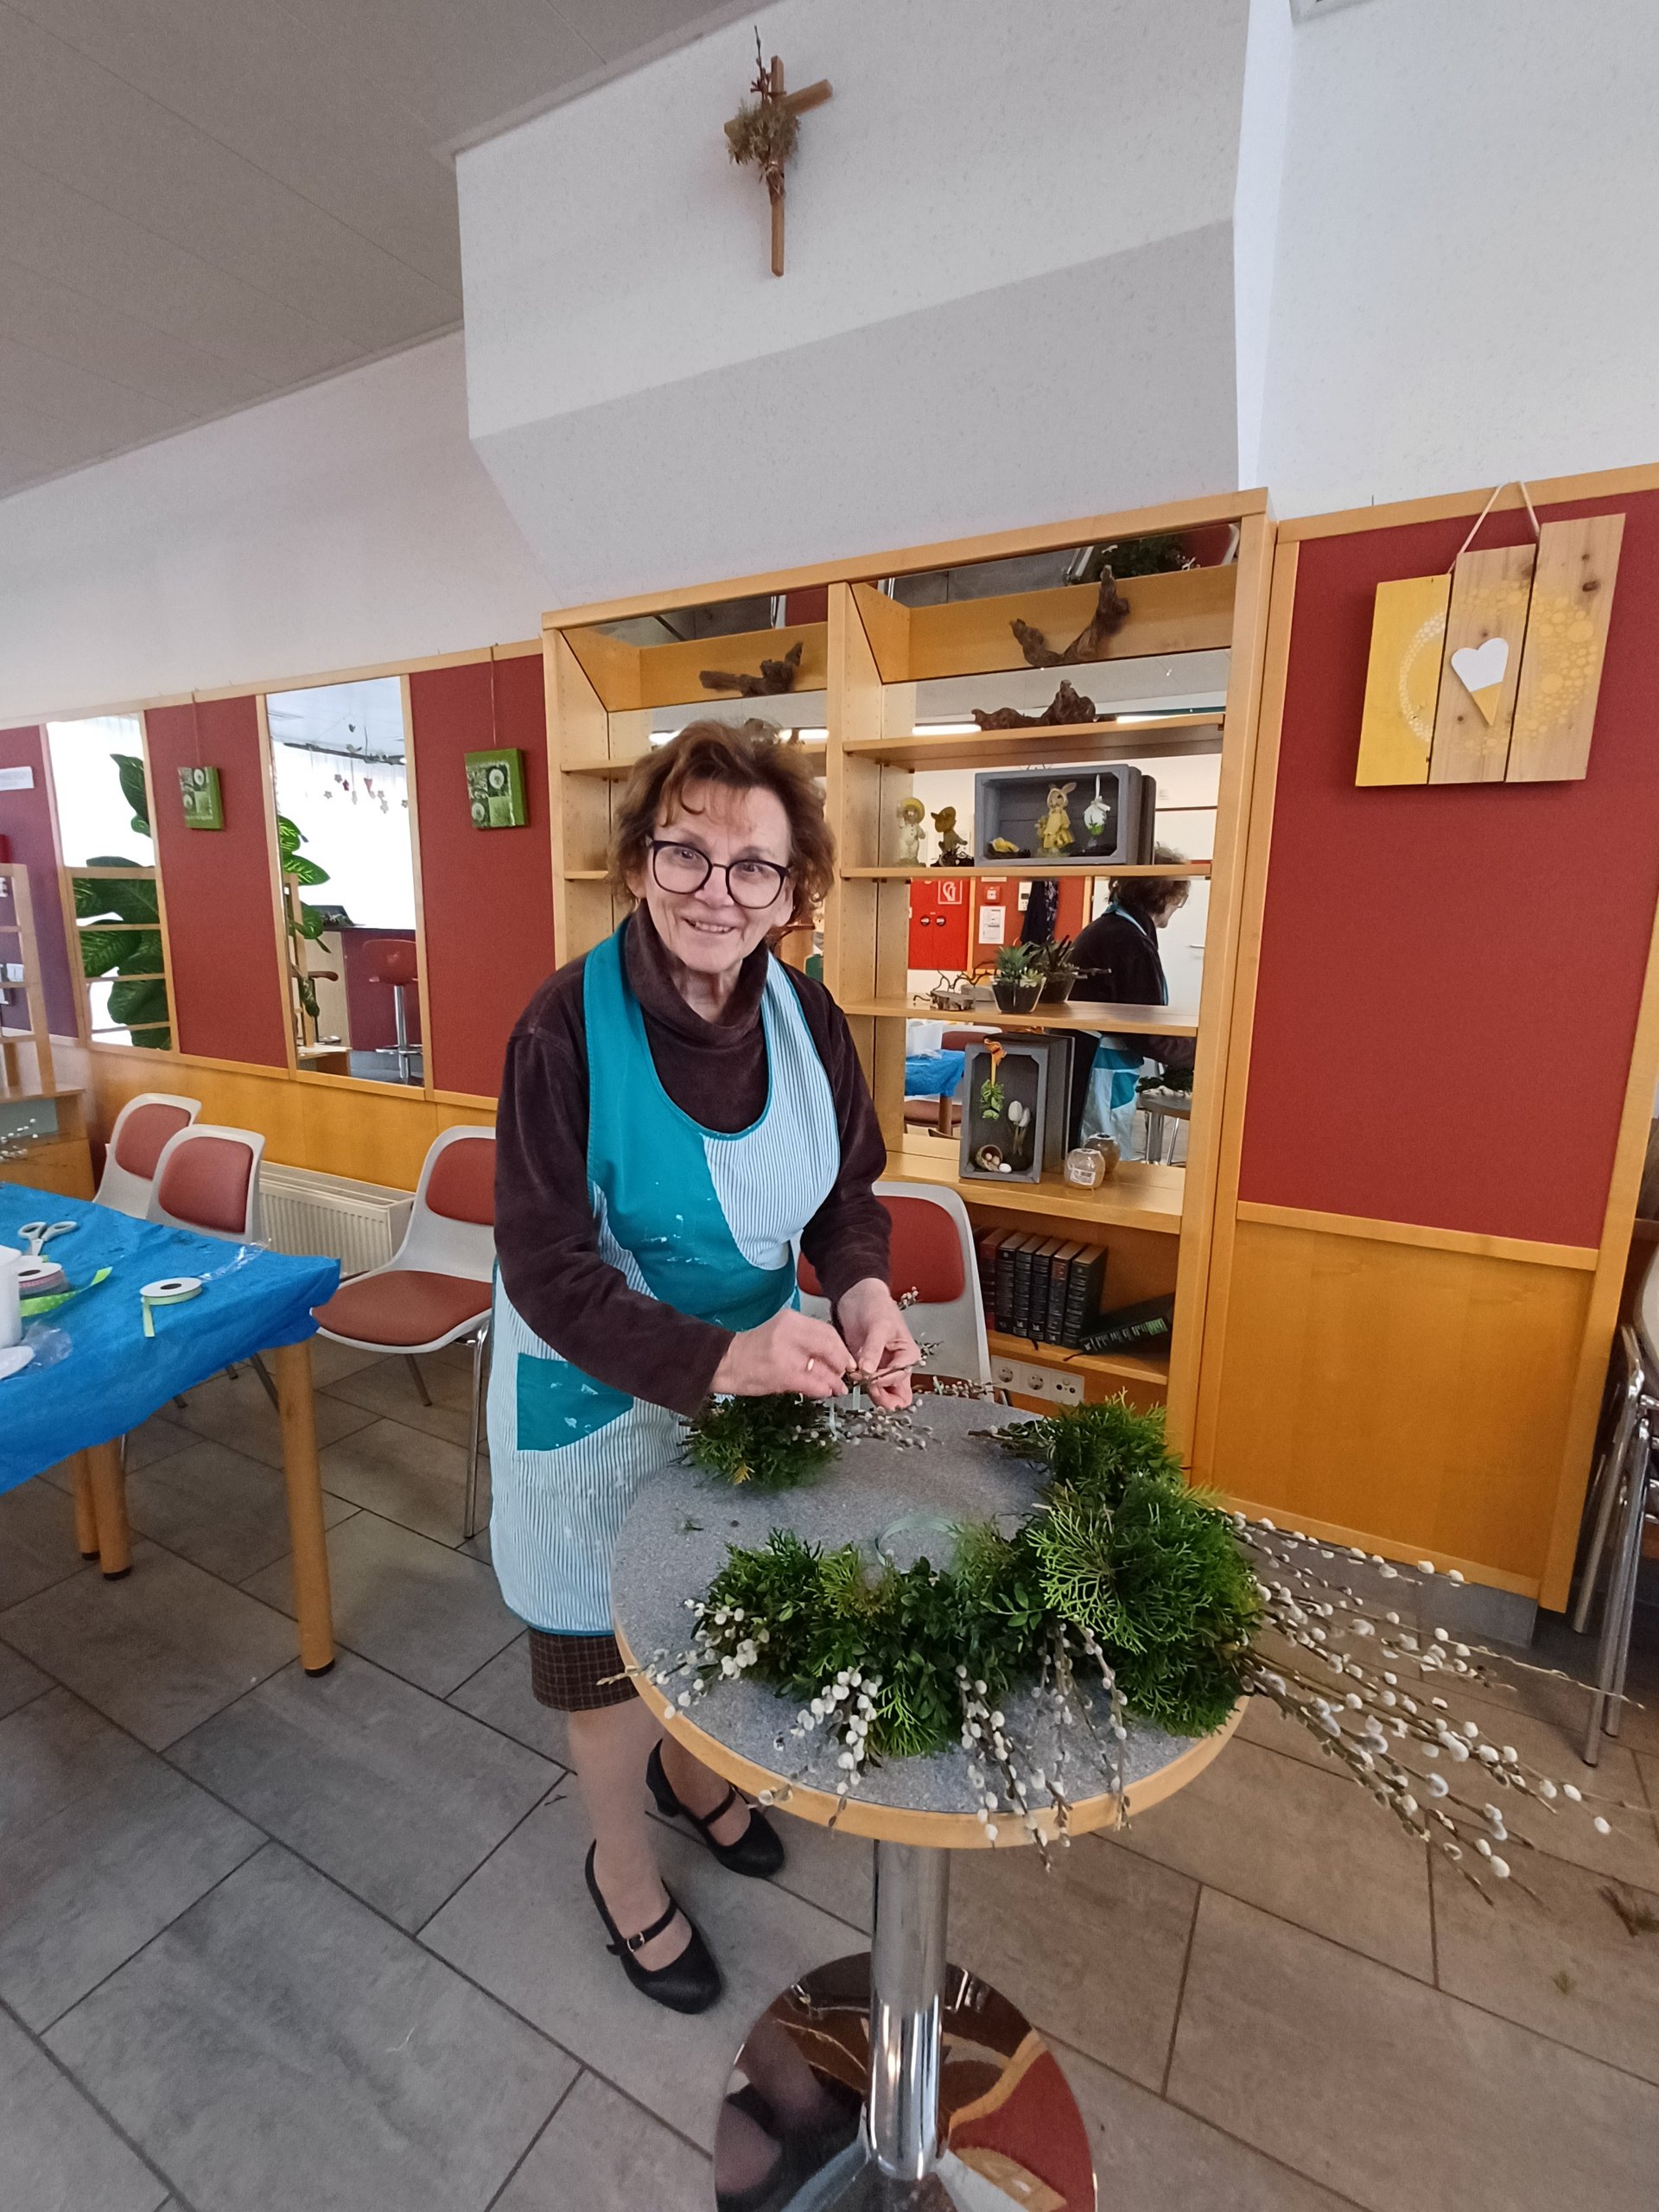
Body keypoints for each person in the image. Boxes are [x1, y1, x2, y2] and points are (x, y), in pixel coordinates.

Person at [489, 720, 919, 2020]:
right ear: (638, 863)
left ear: (792, 894)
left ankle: (697, 1776)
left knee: (709, 1616)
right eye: (685, 853)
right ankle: (622, 1868)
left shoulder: (806, 1015)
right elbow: (547, 1266)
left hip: (757, 1373)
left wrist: (862, 1287)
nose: (715, 893)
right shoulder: (563, 1028)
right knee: (604, 1662)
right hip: (590, 1391)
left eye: (753, 868)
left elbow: (846, 1190)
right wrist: (722, 1354)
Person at [1068, 849, 1196, 1157]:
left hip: (1093, 1059)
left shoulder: (1111, 929)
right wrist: (1198, 1052)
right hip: (1099, 1066)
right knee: (1100, 1156)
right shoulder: (1129, 941)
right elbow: (1145, 1033)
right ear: (1167, 896)